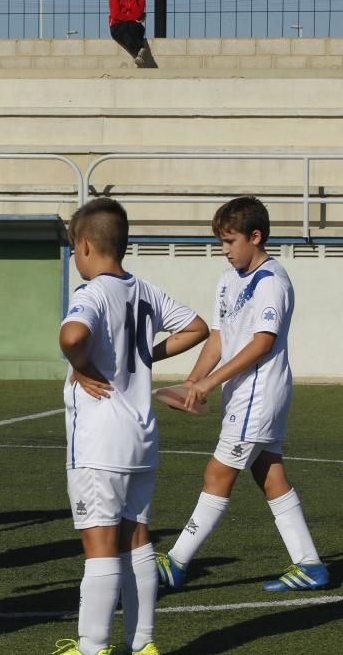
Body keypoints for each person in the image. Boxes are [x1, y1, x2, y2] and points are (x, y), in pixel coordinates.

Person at [50, 198, 208, 655]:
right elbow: (197, 327)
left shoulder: (92, 292)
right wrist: (146, 355)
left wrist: (79, 365)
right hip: (141, 437)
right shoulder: (144, 289)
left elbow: (72, 336)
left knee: (100, 544)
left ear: (83, 246)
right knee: (137, 539)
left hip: (100, 439)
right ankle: (143, 645)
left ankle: (92, 646)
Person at [156, 197, 329, 594]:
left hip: (259, 394)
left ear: (256, 236)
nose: (225, 250)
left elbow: (261, 344)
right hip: (243, 395)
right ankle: (310, 565)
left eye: (231, 241)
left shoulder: (273, 282)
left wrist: (209, 383)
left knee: (218, 473)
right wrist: (192, 381)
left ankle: (177, 562)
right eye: (221, 242)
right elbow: (219, 337)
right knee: (269, 475)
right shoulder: (227, 278)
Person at [108, 0, 152, 68]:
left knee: (139, 29)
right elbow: (115, 14)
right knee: (124, 31)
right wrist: (133, 18)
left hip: (133, 25)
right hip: (117, 25)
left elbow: (138, 15)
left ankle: (139, 54)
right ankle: (139, 50)